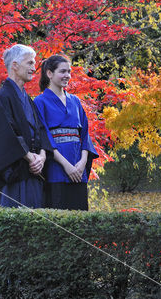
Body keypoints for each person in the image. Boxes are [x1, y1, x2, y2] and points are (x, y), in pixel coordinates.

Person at [0, 44, 52, 208]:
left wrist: (42, 157)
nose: (34, 68)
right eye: (30, 63)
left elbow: (41, 130)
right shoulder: (2, 96)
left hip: (34, 171)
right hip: (15, 172)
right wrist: (30, 157)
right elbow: (6, 134)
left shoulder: (28, 99)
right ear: (14, 66)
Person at [34, 55, 99, 210]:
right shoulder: (40, 102)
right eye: (62, 71)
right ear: (49, 73)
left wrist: (82, 163)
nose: (67, 75)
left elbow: (85, 134)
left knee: (80, 219)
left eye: (69, 71)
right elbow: (44, 137)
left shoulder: (75, 101)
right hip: (56, 171)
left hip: (78, 169)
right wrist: (66, 165)